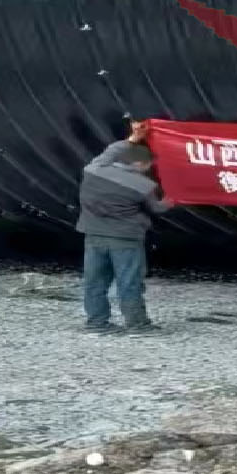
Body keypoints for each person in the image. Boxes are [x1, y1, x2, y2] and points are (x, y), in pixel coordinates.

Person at [76, 116, 173, 333]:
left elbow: (111, 151)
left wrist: (133, 138)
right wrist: (171, 200)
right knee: (129, 282)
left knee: (95, 282)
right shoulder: (143, 185)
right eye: (147, 165)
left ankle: (97, 323)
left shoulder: (94, 169)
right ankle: (137, 324)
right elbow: (157, 208)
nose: (147, 169)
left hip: (93, 236)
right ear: (138, 163)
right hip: (126, 239)